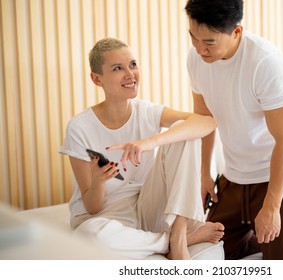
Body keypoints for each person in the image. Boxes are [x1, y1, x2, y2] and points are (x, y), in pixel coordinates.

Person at [59, 37, 224, 260]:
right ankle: (176, 240)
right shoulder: (80, 127)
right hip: (106, 216)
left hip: (147, 205)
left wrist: (152, 142)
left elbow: (207, 121)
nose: (130, 74)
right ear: (97, 79)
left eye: (133, 65)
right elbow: (92, 207)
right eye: (118, 68)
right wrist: (98, 182)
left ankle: (178, 232)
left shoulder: (147, 112)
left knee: (183, 130)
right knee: (89, 235)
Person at [184, 0, 283, 260]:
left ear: (236, 32)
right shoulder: (196, 59)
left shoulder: (267, 63)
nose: (199, 49)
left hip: (276, 178)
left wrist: (272, 207)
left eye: (209, 42)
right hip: (234, 176)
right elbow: (204, 118)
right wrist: (204, 173)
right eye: (193, 37)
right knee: (214, 249)